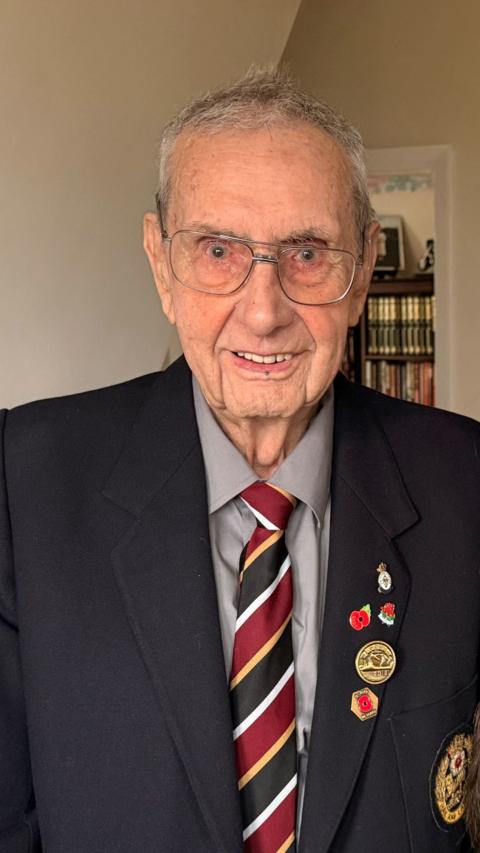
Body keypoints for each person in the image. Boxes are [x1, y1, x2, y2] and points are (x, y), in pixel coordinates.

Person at [1, 67, 479, 853]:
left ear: (360, 274)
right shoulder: (24, 480)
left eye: (308, 251)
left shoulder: (465, 478)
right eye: (218, 249)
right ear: (161, 263)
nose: (263, 312)